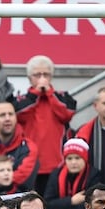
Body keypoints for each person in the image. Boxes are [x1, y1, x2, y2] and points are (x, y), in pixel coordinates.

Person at [14, 55, 76, 194]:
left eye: (46, 74)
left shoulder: (62, 97)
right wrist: (36, 93)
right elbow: (19, 114)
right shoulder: (21, 100)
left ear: (51, 77)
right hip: (29, 164)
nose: (42, 79)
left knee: (52, 203)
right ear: (30, 78)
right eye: (37, 75)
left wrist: (49, 94)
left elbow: (67, 114)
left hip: (57, 164)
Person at [44, 137, 101, 209]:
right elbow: (48, 203)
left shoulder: (94, 175)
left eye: (77, 158)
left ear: (85, 158)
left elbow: (93, 204)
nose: (73, 162)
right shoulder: (56, 175)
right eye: (69, 158)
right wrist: (71, 201)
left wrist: (62, 204)